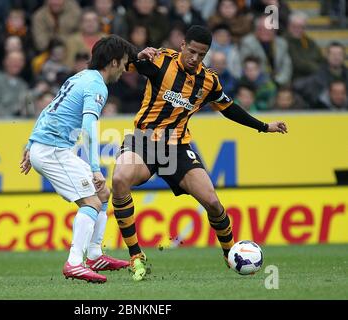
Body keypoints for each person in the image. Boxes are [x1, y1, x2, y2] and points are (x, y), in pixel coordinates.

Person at [111, 25, 288, 281]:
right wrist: (138, 54)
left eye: (201, 55)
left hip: (178, 148)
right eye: (192, 51)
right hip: (145, 141)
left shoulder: (208, 81)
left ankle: (231, 255)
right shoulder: (160, 61)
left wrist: (263, 127)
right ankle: (136, 256)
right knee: (119, 180)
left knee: (213, 203)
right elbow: (122, 63)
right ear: (182, 45)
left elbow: (229, 109)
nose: (195, 58)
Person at [19, 35, 149, 283]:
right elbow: (89, 127)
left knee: (102, 194)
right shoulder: (97, 86)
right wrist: (94, 168)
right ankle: (75, 263)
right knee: (91, 201)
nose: (124, 68)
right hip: (52, 150)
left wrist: (30, 143)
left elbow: (49, 108)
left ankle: (95, 254)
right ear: (112, 62)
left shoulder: (79, 77)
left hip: (46, 146)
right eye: (123, 62)